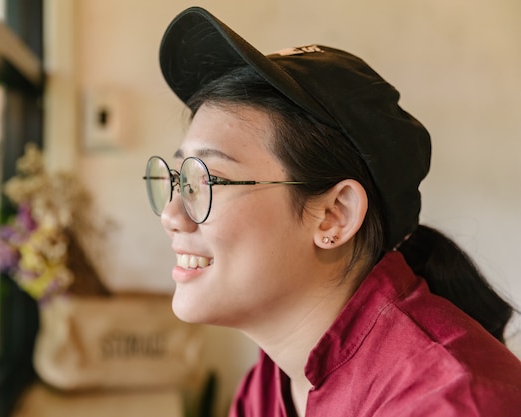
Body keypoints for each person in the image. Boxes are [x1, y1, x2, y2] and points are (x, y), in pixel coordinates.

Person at [143, 6, 521, 417]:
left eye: (207, 181)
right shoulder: (270, 384)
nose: (172, 215)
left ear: (334, 215)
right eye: (180, 179)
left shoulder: (452, 402)